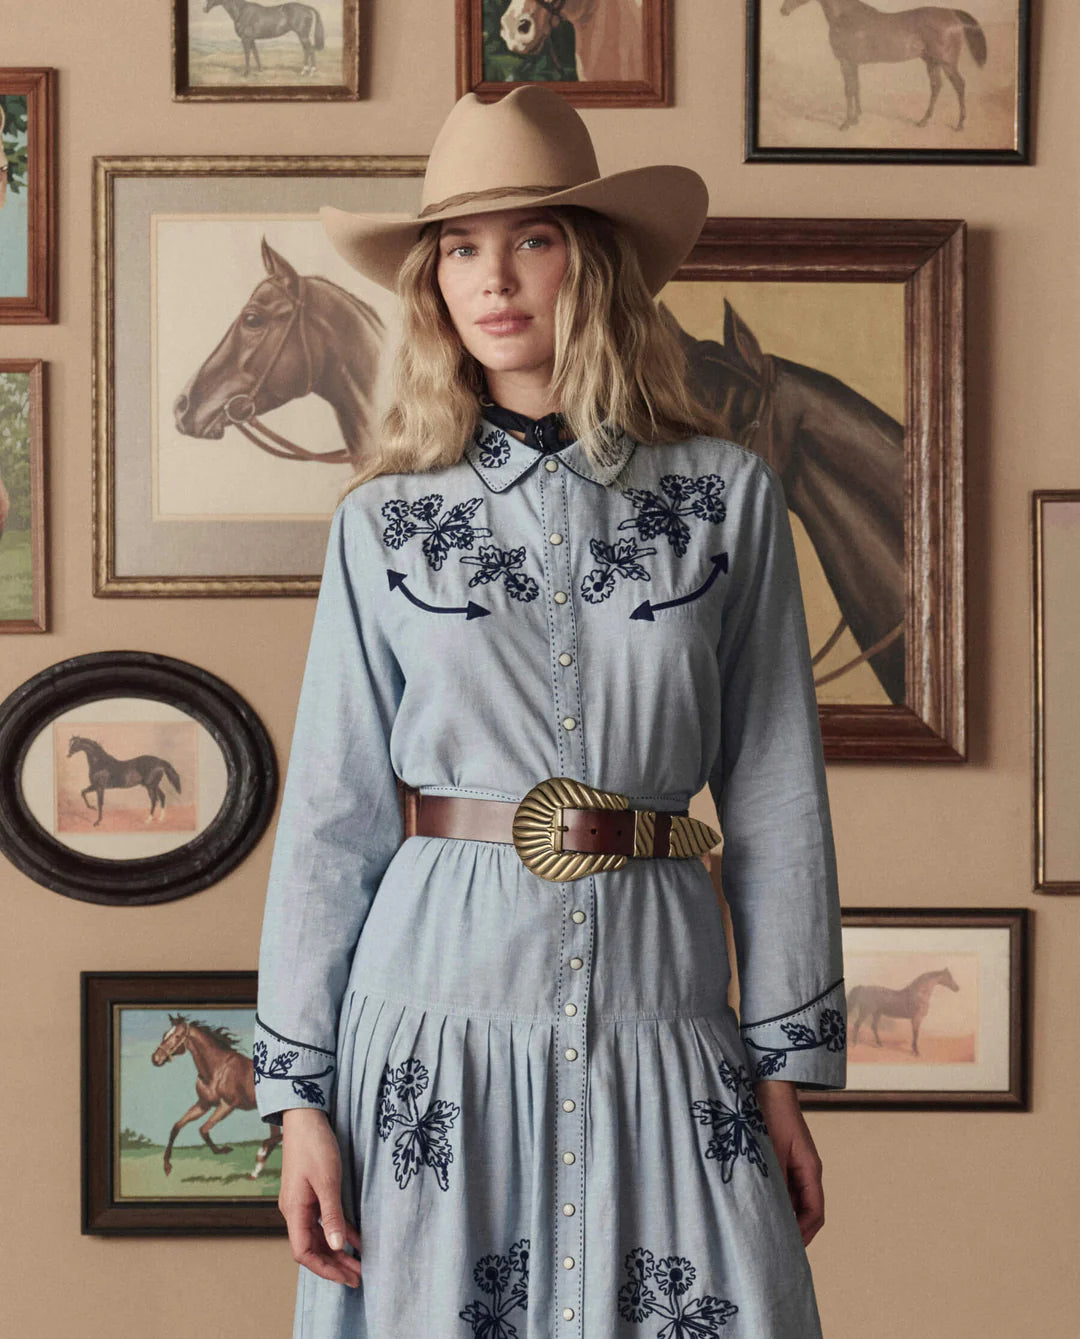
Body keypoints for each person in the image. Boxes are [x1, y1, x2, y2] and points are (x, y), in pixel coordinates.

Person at [253, 84, 847, 1339]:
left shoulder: (728, 501)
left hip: (662, 1000)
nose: (495, 277)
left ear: (599, 263)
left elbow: (779, 799)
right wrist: (298, 1098)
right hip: (433, 1015)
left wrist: (786, 1073)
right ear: (430, 285)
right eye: (460, 248)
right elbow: (331, 816)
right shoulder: (385, 522)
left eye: (533, 237)